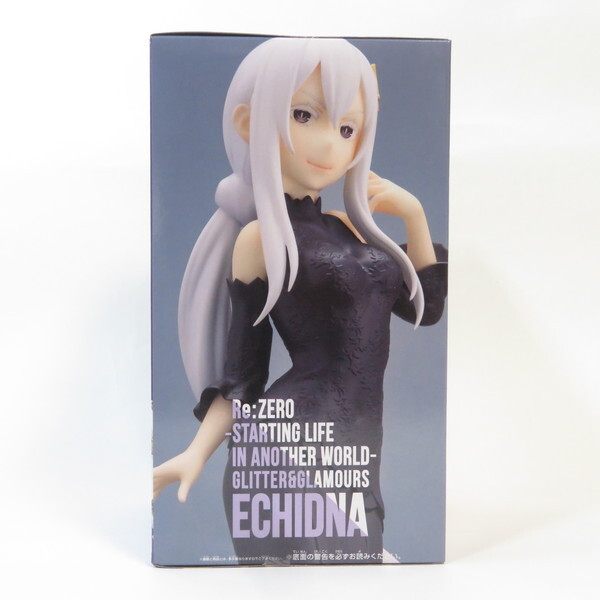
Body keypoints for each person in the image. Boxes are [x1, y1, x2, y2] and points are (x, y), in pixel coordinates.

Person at [153, 37, 447, 565]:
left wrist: (415, 216)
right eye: (304, 115)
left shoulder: (350, 229)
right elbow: (243, 378)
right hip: (285, 450)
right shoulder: (260, 239)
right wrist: (195, 453)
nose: (330, 144)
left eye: (348, 128)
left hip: (356, 452)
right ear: (250, 124)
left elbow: (427, 309)